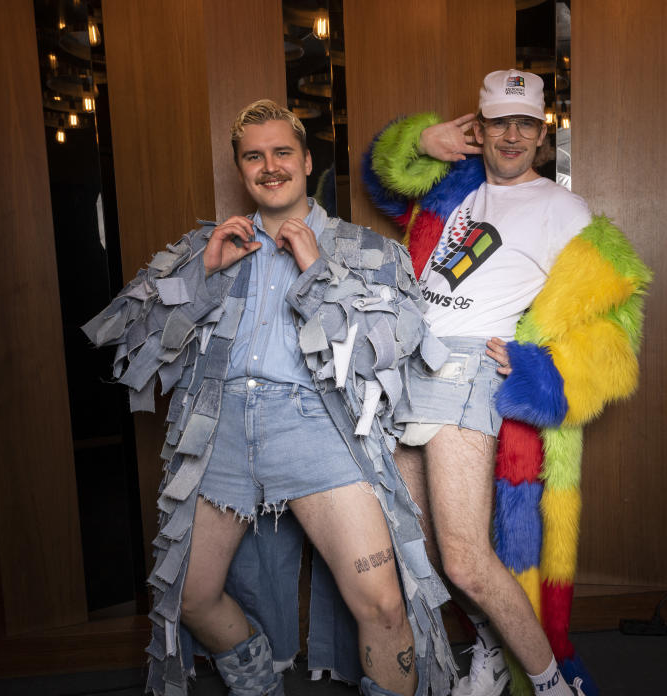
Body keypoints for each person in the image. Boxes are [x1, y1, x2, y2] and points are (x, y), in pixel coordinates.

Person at [83, 100, 456, 696]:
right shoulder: (206, 246)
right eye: (254, 156)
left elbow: (387, 358)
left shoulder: (366, 250)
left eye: (283, 152)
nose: (270, 166)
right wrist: (202, 275)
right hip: (223, 429)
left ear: (307, 162)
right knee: (190, 594)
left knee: (384, 605)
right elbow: (131, 341)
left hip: (317, 427)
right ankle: (259, 683)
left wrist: (317, 273)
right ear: (241, 169)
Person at [363, 70, 652, 696]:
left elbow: (615, 322)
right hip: (407, 362)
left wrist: (537, 372)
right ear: (481, 127)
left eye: (526, 123)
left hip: (465, 368)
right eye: (500, 122)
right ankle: (493, 647)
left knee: (466, 559)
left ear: (543, 133)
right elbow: (383, 182)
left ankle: (552, 686)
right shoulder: (454, 185)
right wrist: (423, 142)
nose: (513, 135)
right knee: (423, 547)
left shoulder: (564, 209)